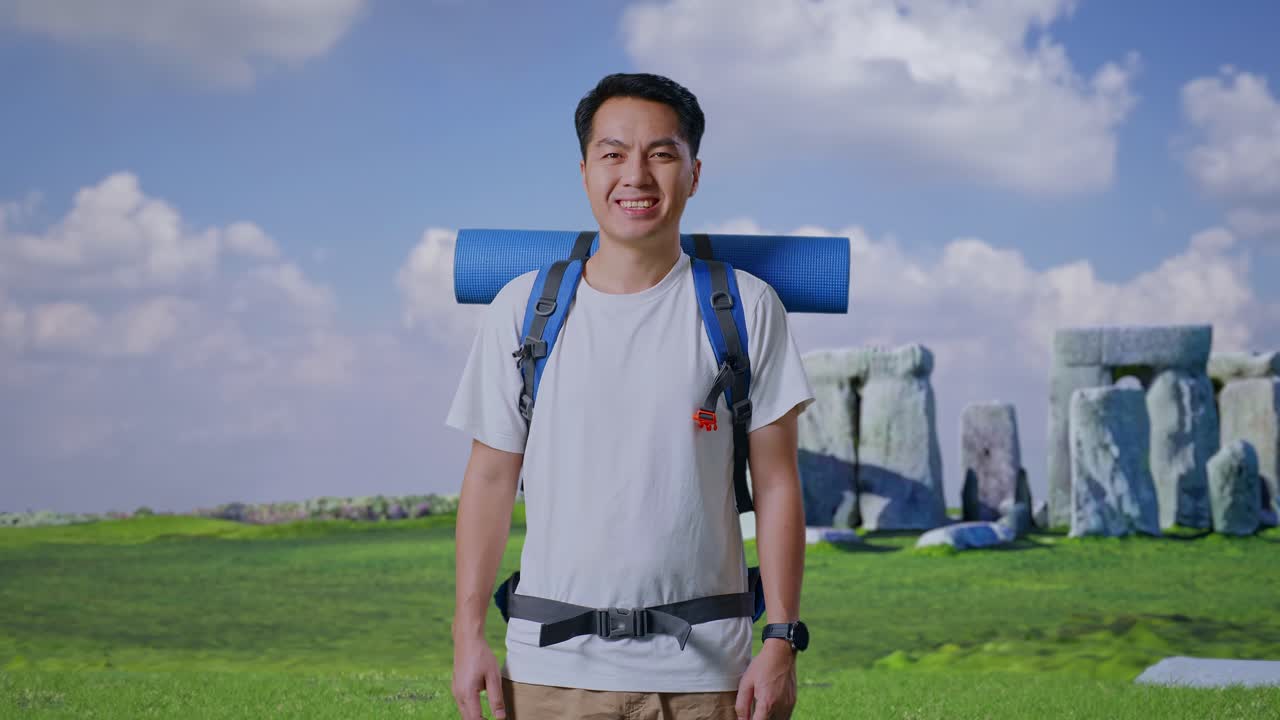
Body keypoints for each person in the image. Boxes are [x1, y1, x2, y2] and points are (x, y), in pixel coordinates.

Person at [447, 72, 815, 720]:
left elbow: (778, 481)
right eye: (614, 154)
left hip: (709, 677)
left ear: (694, 173)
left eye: (661, 154)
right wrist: (467, 636)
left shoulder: (747, 309)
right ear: (586, 169)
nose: (636, 176)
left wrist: (782, 639)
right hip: (548, 672)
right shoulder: (524, 311)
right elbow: (489, 480)